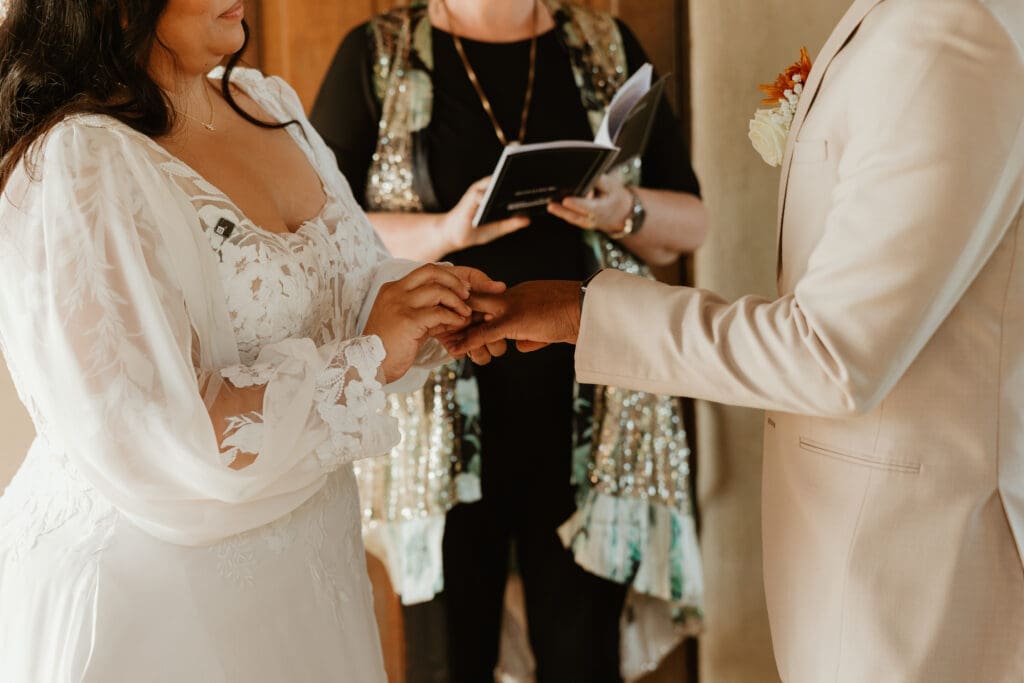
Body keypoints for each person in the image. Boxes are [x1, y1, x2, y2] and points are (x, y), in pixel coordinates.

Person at [448, 0, 1024, 681]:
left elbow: (831, 351)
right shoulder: (901, 20)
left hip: (906, 562)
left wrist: (580, 312)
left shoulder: (948, 35)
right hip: (860, 550)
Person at [0, 2, 504, 681]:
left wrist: (427, 305)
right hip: (159, 606)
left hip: (307, 579)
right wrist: (368, 357)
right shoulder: (79, 159)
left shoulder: (268, 103)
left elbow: (346, 287)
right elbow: (161, 438)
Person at [311, 0, 708, 680]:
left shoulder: (603, 43)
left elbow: (689, 228)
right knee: (448, 660)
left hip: (592, 414)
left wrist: (622, 210)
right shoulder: (377, 53)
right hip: (437, 422)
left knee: (584, 656)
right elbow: (317, 234)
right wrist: (444, 233)